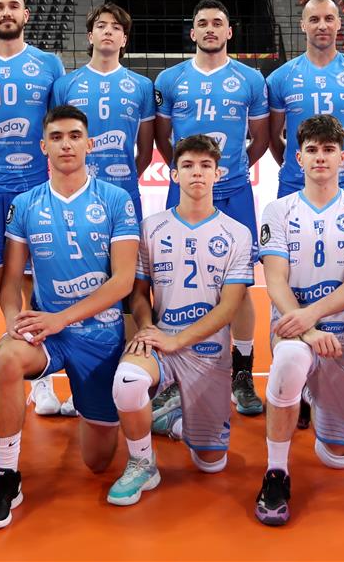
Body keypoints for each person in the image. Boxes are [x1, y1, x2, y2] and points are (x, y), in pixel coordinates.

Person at [0, 105, 139, 530]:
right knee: (7, 357)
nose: (67, 144)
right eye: (57, 137)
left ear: (89, 144)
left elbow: (123, 281)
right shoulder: (26, 204)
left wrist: (61, 318)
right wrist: (14, 320)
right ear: (43, 146)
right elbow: (10, 282)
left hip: (100, 336)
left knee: (98, 462)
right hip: (50, 335)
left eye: (75, 136)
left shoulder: (115, 199)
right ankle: (6, 474)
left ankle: (103, 408)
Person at [106, 134, 254, 506]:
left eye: (205, 166)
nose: (197, 173)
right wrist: (147, 327)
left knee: (211, 464)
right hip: (160, 343)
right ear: (174, 175)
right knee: (127, 381)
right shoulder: (151, 228)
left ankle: (170, 419)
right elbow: (138, 294)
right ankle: (142, 462)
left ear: (218, 173)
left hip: (207, 353)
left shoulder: (238, 234)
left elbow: (229, 307)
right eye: (187, 166)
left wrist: (179, 340)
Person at [252, 114, 344, 527]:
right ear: (298, 158)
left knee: (337, 459)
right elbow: (275, 280)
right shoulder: (277, 210)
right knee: (291, 358)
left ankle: (311, 395)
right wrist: (307, 330)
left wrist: (313, 317)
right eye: (312, 150)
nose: (320, 157)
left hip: (343, 338)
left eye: (329, 150)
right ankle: (276, 472)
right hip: (294, 330)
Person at [154, 0, 269, 416]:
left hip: (235, 192)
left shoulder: (251, 79)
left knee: (239, 287)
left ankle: (242, 372)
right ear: (193, 32)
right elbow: (163, 138)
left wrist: (223, 173)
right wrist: (191, 178)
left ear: (229, 31)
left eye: (217, 23)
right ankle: (172, 375)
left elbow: (260, 137)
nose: (210, 29)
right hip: (184, 195)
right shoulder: (170, 79)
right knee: (172, 283)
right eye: (202, 23)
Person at [0, 0, 67, 419]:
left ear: (26, 15)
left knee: (36, 282)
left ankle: (41, 379)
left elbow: (57, 125)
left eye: (14, 6)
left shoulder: (49, 63)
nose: (7, 12)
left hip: (35, 187)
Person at [267, 0, 344, 200]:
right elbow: (273, 137)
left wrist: (341, 166)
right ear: (303, 25)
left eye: (328, 19)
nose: (322, 26)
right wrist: (298, 165)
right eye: (314, 19)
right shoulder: (280, 77)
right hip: (293, 184)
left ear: (338, 23)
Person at [50, 3, 155, 221]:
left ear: (124, 40)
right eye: (101, 26)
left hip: (124, 192)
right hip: (75, 193)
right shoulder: (64, 85)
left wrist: (126, 180)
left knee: (128, 245)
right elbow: (54, 143)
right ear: (90, 36)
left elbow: (146, 152)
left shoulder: (143, 86)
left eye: (116, 27)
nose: (108, 31)